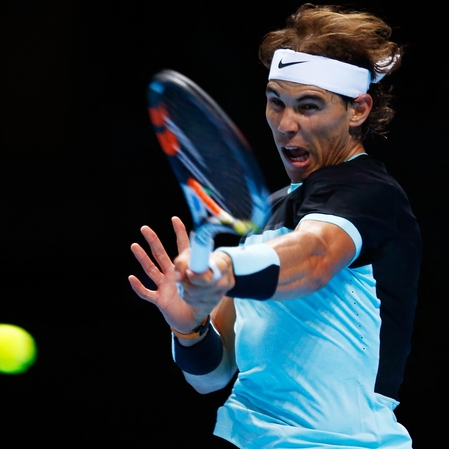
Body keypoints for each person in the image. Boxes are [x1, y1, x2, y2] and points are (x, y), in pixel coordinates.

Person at [129, 4, 421, 448]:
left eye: (308, 106)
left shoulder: (369, 194)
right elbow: (212, 377)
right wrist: (189, 327)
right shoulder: (267, 217)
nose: (286, 126)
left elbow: (315, 257)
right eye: (275, 102)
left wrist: (222, 269)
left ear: (358, 109)